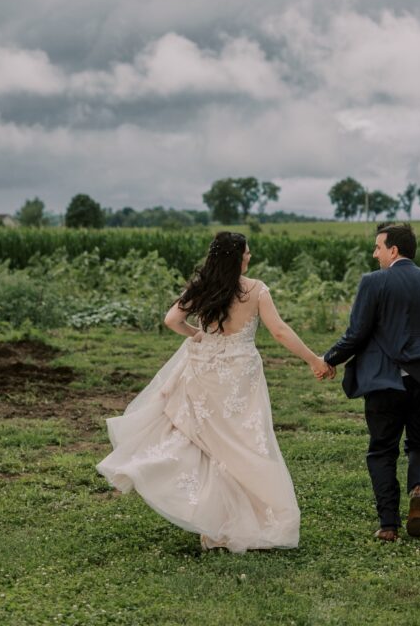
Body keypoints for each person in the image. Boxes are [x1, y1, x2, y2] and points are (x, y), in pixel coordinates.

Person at [96, 231, 330, 552]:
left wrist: (196, 334)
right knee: (244, 442)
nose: (249, 257)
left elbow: (171, 320)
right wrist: (313, 360)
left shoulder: (202, 287)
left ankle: (215, 524)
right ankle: (240, 519)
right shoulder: (256, 290)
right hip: (239, 374)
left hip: (204, 369)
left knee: (210, 445)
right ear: (237, 257)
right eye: (246, 253)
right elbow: (278, 331)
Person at [319, 222, 420, 542]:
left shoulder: (374, 283)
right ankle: (418, 489)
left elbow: (356, 334)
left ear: (393, 250)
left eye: (377, 247)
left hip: (387, 382)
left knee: (382, 451)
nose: (375, 254)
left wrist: (329, 359)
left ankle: (388, 525)